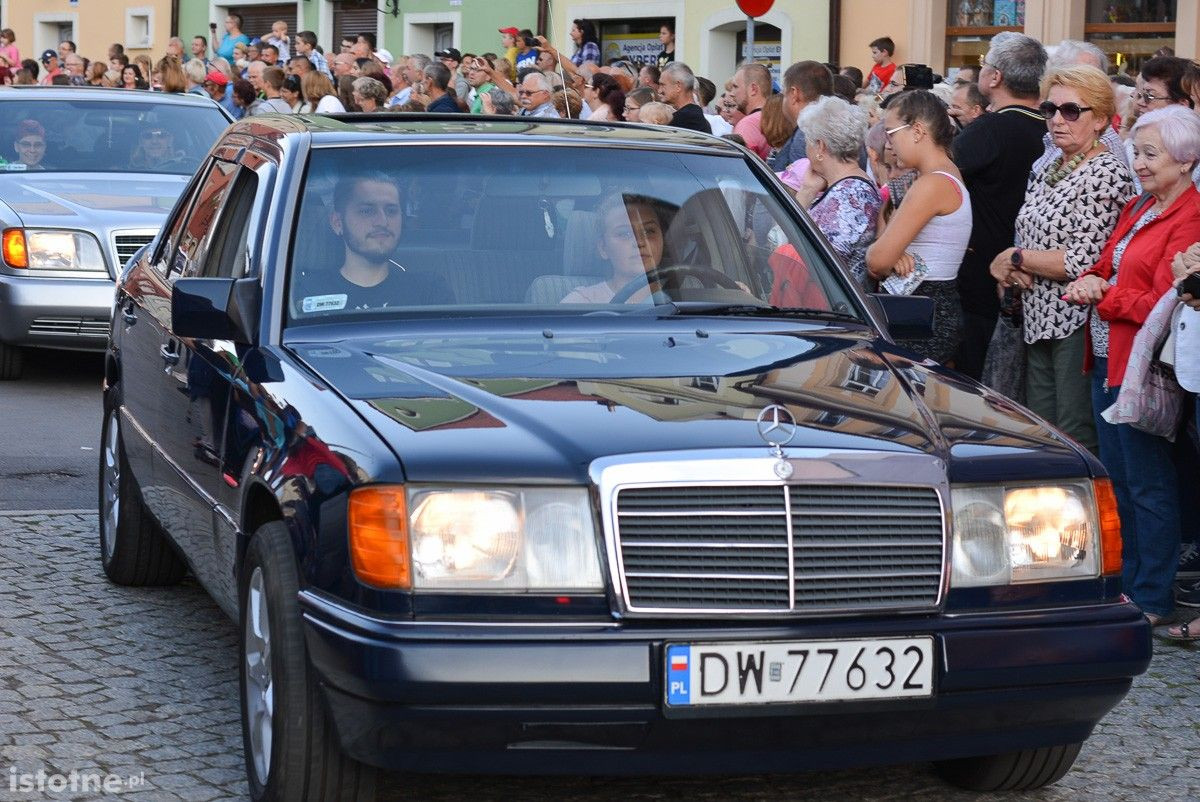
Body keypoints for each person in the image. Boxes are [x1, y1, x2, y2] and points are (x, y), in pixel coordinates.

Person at [1063, 105, 1200, 626]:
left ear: (1186, 161)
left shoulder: (1189, 216)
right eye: (1136, 152)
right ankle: (1131, 585)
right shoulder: (1141, 204)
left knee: (1146, 481)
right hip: (1106, 354)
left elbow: (1167, 306)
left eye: (1150, 154)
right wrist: (1092, 278)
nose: (1138, 164)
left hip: (1143, 366)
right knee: (1119, 478)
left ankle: (1153, 596)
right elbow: (1110, 259)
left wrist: (1107, 296)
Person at [989, 66, 1135, 454]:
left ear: (1100, 118)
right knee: (1042, 430)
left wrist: (1014, 258)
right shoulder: (1050, 164)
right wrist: (1016, 263)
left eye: (1071, 111)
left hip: (1077, 322)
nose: (1057, 119)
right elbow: (1028, 230)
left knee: (1073, 433)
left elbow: (1080, 261)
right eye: (1051, 108)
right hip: (1037, 316)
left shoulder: (1106, 172)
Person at [952, 32, 1048, 380]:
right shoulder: (1052, 129)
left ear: (995, 78)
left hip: (983, 274)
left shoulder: (989, 130)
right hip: (1032, 271)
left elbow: (943, 177)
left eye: (984, 65)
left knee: (977, 377)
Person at [866, 89, 972, 364]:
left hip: (922, 311)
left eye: (891, 133)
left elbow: (876, 261)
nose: (888, 145)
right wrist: (892, 250)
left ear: (917, 131)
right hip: (928, 306)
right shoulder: (942, 176)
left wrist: (887, 251)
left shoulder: (931, 184)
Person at [299, 173, 450, 311]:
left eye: (391, 211)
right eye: (367, 211)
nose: (382, 221)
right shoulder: (307, 293)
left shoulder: (429, 291)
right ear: (338, 222)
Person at [793, 97, 881, 290]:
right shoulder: (847, 189)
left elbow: (816, 261)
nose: (805, 149)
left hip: (837, 308)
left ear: (821, 146)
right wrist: (808, 190)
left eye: (807, 141)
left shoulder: (851, 195)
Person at [561, 195, 666, 303]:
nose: (639, 242)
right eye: (625, 233)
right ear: (603, 248)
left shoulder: (682, 295)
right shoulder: (581, 303)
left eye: (648, 231)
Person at [729, 63, 772, 159]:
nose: (731, 93)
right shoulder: (776, 117)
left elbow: (737, 166)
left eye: (735, 87)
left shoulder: (748, 124)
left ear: (753, 89)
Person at [657, 62, 710, 134]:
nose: (659, 90)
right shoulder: (693, 115)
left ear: (678, 86)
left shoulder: (684, 118)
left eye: (663, 85)